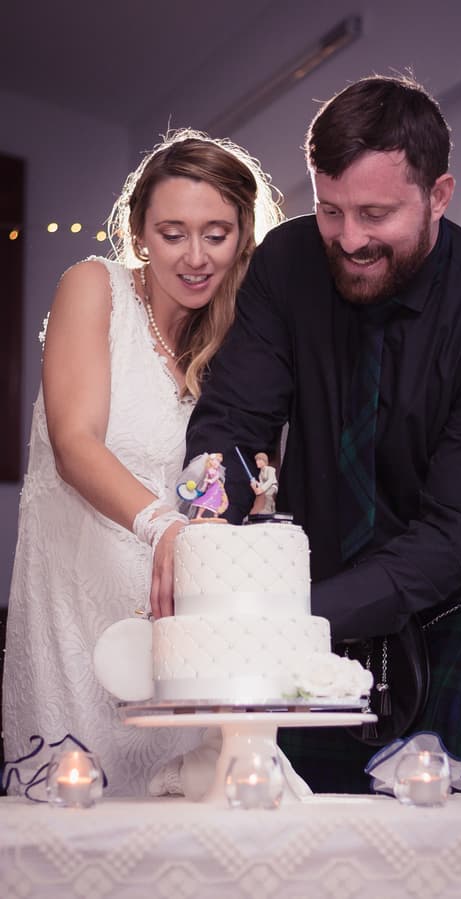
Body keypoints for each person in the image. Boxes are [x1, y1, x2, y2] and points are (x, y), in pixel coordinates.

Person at [182, 75, 461, 803]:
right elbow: (232, 422)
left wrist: (285, 614)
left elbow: (451, 539)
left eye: (375, 213)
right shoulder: (287, 263)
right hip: (318, 626)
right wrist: (201, 521)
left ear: (440, 194)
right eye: (330, 209)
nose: (350, 237)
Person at [2, 128, 282, 796]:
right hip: (76, 627)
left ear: (244, 236)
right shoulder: (92, 288)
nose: (193, 256)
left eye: (215, 233)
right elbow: (76, 442)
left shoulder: (238, 356)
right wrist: (164, 527)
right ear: (139, 233)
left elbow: (218, 496)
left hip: (176, 652)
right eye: (171, 232)